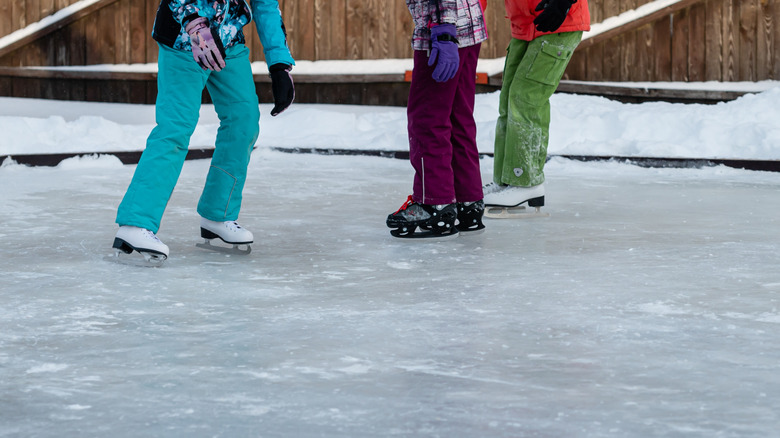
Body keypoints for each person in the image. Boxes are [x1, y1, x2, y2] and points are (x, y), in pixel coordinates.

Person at [112, 0, 295, 264]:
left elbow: (265, 5)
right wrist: (197, 28)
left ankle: (218, 214)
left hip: (228, 42)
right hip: (183, 42)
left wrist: (279, 64)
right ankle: (135, 224)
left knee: (243, 122)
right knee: (175, 128)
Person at [386, 0, 489, 239]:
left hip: (443, 32)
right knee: (457, 116)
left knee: (427, 118)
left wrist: (443, 32)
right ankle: (468, 201)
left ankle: (435, 202)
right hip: (465, 26)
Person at [484, 0, 589, 215]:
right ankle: (506, 181)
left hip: (557, 20)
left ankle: (527, 181)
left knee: (525, 100)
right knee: (508, 102)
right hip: (524, 24)